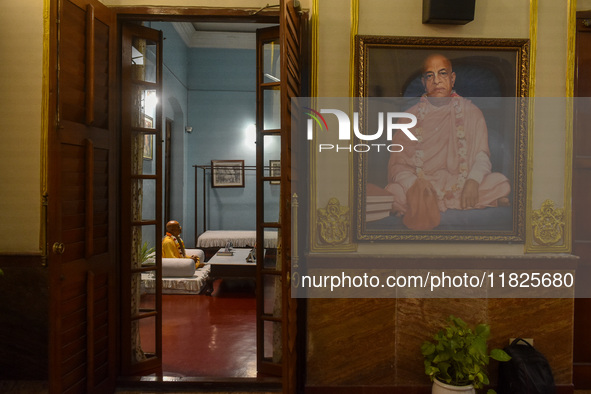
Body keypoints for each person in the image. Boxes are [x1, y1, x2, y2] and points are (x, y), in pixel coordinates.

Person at [385, 54, 510, 231]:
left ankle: (480, 197)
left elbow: (482, 156)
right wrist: (414, 185)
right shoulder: (408, 118)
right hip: (422, 186)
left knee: (499, 182)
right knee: (393, 192)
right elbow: (398, 167)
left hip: (460, 184)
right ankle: (487, 201)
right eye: (430, 75)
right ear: (423, 82)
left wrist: (473, 181)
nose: (436, 81)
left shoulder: (472, 113)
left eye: (442, 74)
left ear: (452, 79)